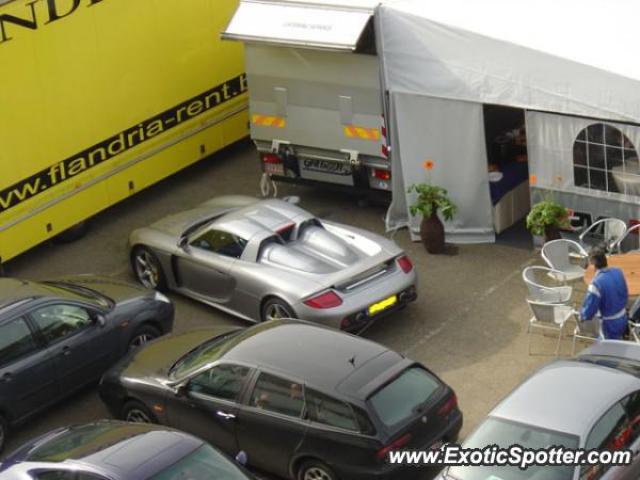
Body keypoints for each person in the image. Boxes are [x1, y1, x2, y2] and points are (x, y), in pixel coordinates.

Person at [580, 245, 629, 339]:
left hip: (609, 325)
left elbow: (588, 311)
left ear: (593, 263)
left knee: (606, 350)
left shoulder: (595, 285)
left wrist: (582, 316)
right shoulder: (618, 271)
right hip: (623, 318)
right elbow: (625, 293)